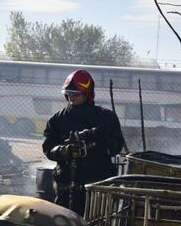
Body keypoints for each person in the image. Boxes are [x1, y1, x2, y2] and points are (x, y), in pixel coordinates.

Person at [41, 69, 124, 216]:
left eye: (76, 94)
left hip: (98, 188)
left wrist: (94, 145)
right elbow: (48, 148)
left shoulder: (106, 118)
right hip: (66, 187)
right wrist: (63, 151)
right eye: (68, 93)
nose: (71, 97)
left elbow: (116, 145)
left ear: (88, 93)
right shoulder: (57, 120)